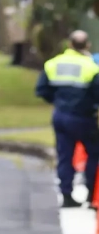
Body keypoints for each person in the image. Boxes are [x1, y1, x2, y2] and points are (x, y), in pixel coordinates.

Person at [36, 30, 99, 208]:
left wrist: (56, 101)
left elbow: (41, 90)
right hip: (83, 117)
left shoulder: (53, 63)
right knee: (94, 153)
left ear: (70, 45)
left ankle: (66, 195)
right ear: (87, 45)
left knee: (65, 156)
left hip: (60, 115)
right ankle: (91, 193)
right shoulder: (91, 66)